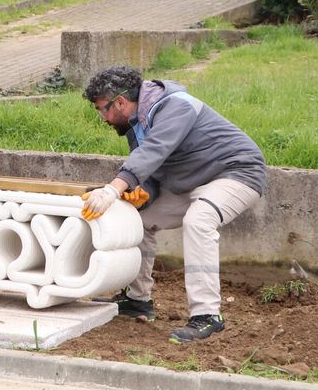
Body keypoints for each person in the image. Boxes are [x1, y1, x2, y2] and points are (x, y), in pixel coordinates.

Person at [80, 65, 266, 344]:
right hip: (193, 181)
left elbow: (155, 150)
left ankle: (207, 316)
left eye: (102, 109)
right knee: (137, 220)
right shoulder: (138, 125)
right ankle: (136, 300)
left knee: (199, 220)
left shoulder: (175, 105)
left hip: (237, 172)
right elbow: (152, 171)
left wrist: (112, 190)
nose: (103, 118)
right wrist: (143, 193)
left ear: (119, 102)